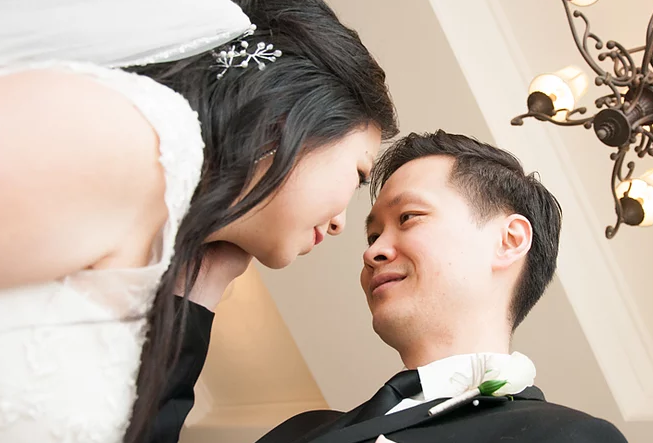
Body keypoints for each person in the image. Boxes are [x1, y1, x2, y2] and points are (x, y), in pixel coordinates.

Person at [0, 0, 397, 443]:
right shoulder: (134, 141)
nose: (339, 223)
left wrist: (204, 287)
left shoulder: (164, 229)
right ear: (295, 121)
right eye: (358, 175)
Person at [164, 131, 628, 443]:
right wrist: (201, 286)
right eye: (372, 236)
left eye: (408, 217)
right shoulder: (299, 432)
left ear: (509, 241)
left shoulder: (567, 437)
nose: (373, 252)